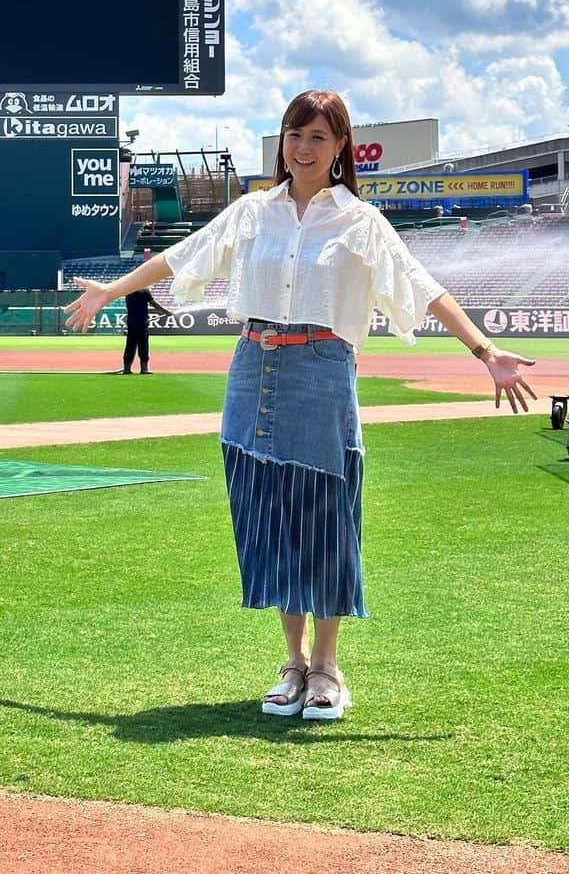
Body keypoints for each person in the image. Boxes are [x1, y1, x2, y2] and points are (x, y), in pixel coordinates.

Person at [66, 89, 535, 721]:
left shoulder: (361, 222)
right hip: (252, 363)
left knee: (326, 517)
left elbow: (423, 289)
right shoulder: (253, 212)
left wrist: (486, 352)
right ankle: (291, 664)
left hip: (322, 368)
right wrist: (110, 290)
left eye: (318, 136)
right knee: (271, 515)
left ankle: (328, 668)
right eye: (294, 133)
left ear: (341, 146)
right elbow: (181, 257)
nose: (303, 147)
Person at [122, 287, 171, 374]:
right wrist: (166, 312)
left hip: (131, 322)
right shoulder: (144, 290)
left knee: (130, 346)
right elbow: (153, 303)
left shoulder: (128, 291)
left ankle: (127, 368)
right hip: (142, 322)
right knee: (143, 346)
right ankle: (144, 369)